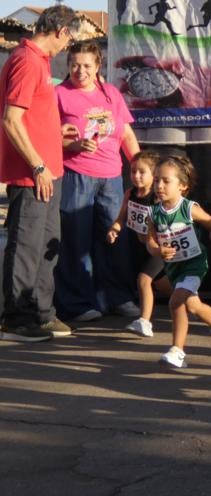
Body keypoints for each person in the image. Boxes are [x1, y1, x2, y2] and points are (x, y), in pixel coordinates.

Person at [1, 4, 82, 342]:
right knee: (26, 246)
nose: (67, 46)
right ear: (61, 31)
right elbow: (11, 120)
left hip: (49, 172)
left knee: (48, 245)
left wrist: (54, 132)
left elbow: (30, 116)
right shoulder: (26, 60)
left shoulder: (39, 61)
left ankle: (42, 314)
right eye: (69, 39)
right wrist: (37, 165)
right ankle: (16, 320)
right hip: (32, 174)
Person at [55, 40, 142, 323]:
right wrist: (73, 145)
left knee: (115, 237)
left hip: (111, 177)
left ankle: (117, 298)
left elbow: (125, 134)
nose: (80, 71)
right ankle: (76, 304)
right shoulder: (58, 94)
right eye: (74, 65)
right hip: (75, 175)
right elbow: (46, 137)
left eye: (86, 65)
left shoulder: (111, 94)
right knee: (75, 240)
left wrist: (140, 165)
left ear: (98, 66)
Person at [145, 155, 211, 369]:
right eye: (156, 180)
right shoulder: (153, 214)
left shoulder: (188, 208)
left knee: (176, 302)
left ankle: (177, 351)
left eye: (166, 181)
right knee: (193, 305)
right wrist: (158, 250)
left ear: (182, 186)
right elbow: (149, 242)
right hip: (174, 268)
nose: (159, 186)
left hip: (194, 265)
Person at [107, 150, 168, 338]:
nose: (136, 176)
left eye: (142, 172)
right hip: (138, 248)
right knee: (167, 288)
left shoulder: (157, 198)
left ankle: (144, 322)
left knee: (143, 280)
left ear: (154, 174)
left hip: (156, 248)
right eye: (133, 171)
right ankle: (196, 306)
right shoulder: (130, 193)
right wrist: (114, 229)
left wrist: (157, 242)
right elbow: (121, 218)